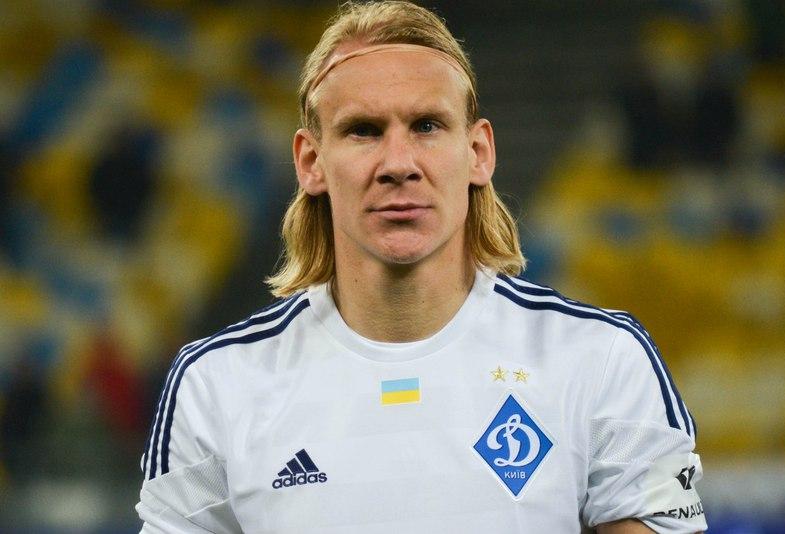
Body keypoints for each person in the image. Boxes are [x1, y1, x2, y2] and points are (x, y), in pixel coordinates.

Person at [136, 2, 707, 532]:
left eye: (427, 126)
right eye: (364, 130)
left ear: (478, 153)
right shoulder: (216, 386)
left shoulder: (600, 360)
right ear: (311, 162)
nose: (398, 164)